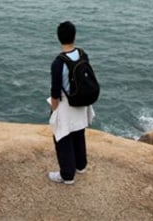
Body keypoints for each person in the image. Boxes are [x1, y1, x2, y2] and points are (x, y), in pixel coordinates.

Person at [48, 21, 95, 185]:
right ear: (74, 36)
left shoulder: (58, 63)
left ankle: (67, 175)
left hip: (66, 104)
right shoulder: (83, 54)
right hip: (82, 102)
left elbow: (55, 93)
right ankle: (81, 166)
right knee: (79, 132)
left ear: (58, 38)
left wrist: (54, 110)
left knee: (63, 138)